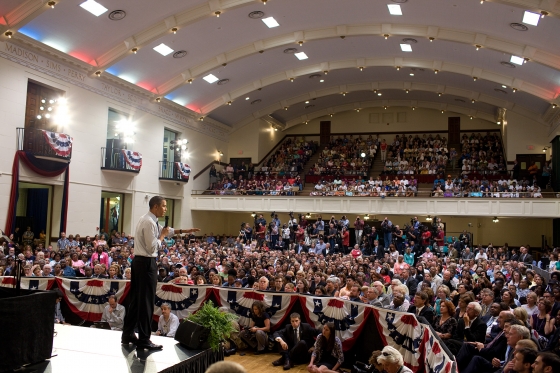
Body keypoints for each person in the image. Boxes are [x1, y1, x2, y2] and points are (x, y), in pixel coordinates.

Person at [121, 196, 199, 350]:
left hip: (139, 262)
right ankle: (144, 339)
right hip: (146, 263)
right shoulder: (149, 222)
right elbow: (152, 247)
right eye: (164, 206)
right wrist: (162, 237)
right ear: (155, 206)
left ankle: (128, 333)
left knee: (136, 301)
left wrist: (184, 231)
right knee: (146, 302)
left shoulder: (150, 220)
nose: (165, 209)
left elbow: (165, 230)